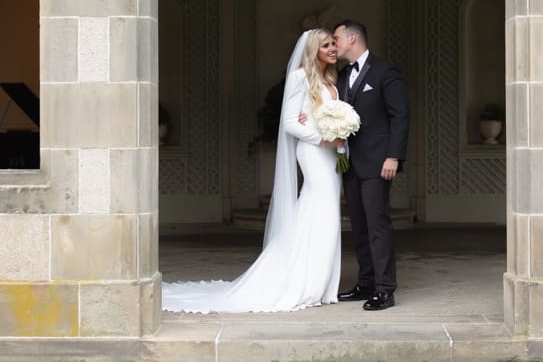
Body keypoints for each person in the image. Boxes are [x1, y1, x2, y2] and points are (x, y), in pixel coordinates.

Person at [162, 29, 345, 313]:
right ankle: (304, 283)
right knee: (320, 211)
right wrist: (322, 137)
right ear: (313, 50)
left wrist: (341, 149)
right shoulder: (299, 78)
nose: (333, 48)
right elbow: (290, 124)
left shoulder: (332, 80)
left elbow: (336, 124)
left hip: (333, 157)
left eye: (334, 43)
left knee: (327, 214)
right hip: (313, 152)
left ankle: (321, 284)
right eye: (326, 45)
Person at [332, 19, 410, 311]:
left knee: (377, 225)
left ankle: (385, 289)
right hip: (349, 163)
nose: (334, 43)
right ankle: (365, 283)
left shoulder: (385, 71)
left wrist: (394, 156)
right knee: (359, 226)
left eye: (337, 38)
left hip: (379, 163)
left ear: (352, 39)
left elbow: (400, 115)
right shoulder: (342, 75)